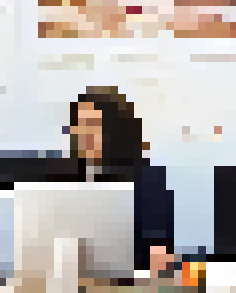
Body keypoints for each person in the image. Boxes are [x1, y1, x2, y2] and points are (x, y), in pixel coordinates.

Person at [68, 87, 176, 275]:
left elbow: (160, 259)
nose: (83, 134)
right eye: (79, 125)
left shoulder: (148, 180)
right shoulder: (71, 179)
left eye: (92, 124)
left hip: (131, 288)